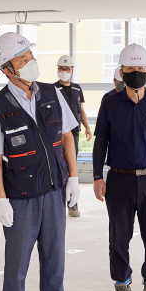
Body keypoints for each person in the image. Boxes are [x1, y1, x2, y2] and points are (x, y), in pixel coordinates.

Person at [0, 32, 80, 291]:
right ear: (7, 69)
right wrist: (0, 199)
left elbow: (66, 137)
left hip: (53, 191)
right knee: (17, 261)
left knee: (54, 258)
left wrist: (74, 178)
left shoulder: (52, 93)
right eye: (23, 59)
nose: (31, 62)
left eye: (30, 56)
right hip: (20, 197)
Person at [92, 43, 146, 291]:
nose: (135, 72)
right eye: (130, 69)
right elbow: (100, 140)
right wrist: (96, 176)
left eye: (140, 68)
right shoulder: (110, 103)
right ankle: (122, 287)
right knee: (118, 237)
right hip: (119, 181)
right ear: (121, 71)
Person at [54, 54, 92, 217]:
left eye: (67, 68)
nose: (64, 71)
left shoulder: (77, 88)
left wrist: (88, 127)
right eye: (61, 69)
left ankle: (73, 203)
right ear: (58, 70)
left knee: (72, 168)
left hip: (74, 134)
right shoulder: (52, 89)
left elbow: (81, 110)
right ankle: (57, 202)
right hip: (58, 134)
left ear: (72, 70)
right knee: (58, 166)